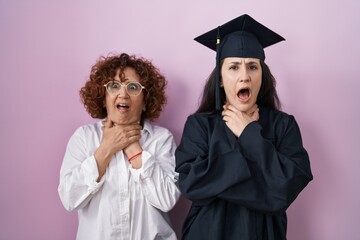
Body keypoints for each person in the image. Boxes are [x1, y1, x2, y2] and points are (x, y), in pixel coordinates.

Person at [175, 14, 313, 240]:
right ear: (220, 78)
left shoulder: (283, 125)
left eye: (252, 66)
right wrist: (266, 185)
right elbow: (192, 185)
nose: (244, 76)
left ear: (262, 75)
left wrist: (249, 133)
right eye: (233, 67)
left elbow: (285, 190)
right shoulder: (200, 125)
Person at [58, 53, 181, 240]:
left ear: (146, 101)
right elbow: (69, 199)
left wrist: (133, 147)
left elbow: (167, 199)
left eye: (133, 87)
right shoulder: (84, 138)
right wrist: (106, 149)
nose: (123, 94)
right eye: (114, 86)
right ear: (103, 97)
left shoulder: (161, 139)